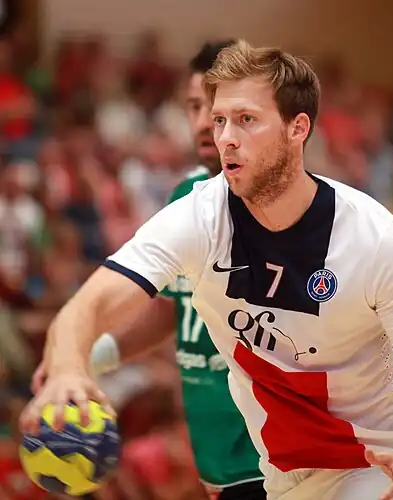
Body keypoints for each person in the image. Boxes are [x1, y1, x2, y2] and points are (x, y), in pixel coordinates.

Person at [21, 40, 393, 500]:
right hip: (284, 473)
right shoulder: (199, 217)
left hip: (378, 460)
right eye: (220, 120)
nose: (226, 137)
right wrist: (69, 369)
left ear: (298, 128)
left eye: (246, 120)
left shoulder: (376, 241)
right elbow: (90, 304)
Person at [31, 41, 265, 500]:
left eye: (217, 108)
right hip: (216, 453)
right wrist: (84, 361)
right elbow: (171, 308)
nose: (204, 122)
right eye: (194, 107)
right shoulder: (186, 196)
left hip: (272, 456)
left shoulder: (277, 205)